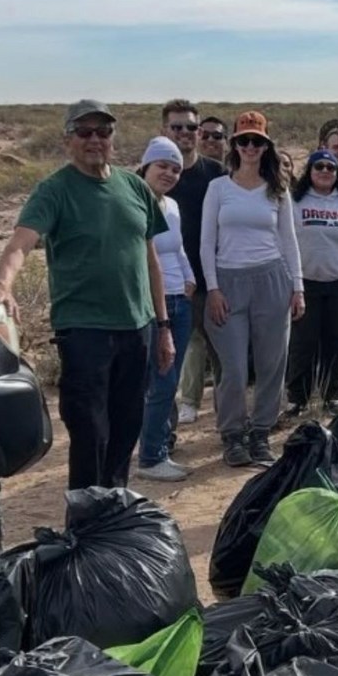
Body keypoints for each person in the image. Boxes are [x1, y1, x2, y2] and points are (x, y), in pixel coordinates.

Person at [0, 100, 172, 489]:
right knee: (90, 433)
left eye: (103, 132)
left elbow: (151, 259)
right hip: (85, 330)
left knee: (126, 426)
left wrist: (163, 325)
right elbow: (20, 244)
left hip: (137, 328)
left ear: (113, 139)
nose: (95, 140)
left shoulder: (134, 186)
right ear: (66, 139)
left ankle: (114, 510)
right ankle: (85, 522)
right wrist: (3, 285)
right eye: (84, 132)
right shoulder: (54, 190)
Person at [201, 111, 304, 468]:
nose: (250, 147)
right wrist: (213, 288)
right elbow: (206, 243)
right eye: (243, 140)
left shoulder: (278, 189)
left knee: (271, 362)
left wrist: (298, 287)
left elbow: (289, 241)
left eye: (256, 141)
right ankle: (232, 435)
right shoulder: (218, 188)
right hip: (228, 282)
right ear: (234, 145)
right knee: (232, 368)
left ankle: (260, 433)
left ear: (266, 146)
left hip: (272, 279)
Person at [162, 100, 225, 427]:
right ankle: (186, 402)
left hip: (212, 273)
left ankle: (224, 407)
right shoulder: (156, 174)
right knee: (183, 345)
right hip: (170, 279)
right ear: (164, 130)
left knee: (219, 341)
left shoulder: (216, 173)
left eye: (190, 127)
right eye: (177, 127)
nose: (184, 133)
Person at [135, 138, 195, 482]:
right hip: (151, 303)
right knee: (160, 382)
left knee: (165, 380)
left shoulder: (171, 205)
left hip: (179, 299)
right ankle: (150, 456)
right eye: (162, 166)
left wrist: (189, 279)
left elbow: (178, 248)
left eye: (175, 168)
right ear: (146, 166)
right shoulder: (134, 202)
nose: (169, 173)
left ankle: (157, 445)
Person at [285, 150, 338, 416]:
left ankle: (333, 393)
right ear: (310, 170)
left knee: (337, 340)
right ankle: (297, 397)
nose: (325, 171)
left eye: (331, 167)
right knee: (303, 342)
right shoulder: (295, 201)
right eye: (319, 166)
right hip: (305, 282)